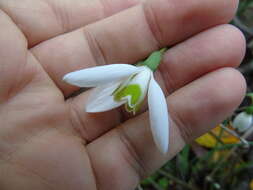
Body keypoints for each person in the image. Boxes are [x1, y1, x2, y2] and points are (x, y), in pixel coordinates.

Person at [0, 0, 246, 189]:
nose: (128, 101)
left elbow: (155, 124)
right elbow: (88, 89)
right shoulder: (137, 78)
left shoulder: (141, 81)